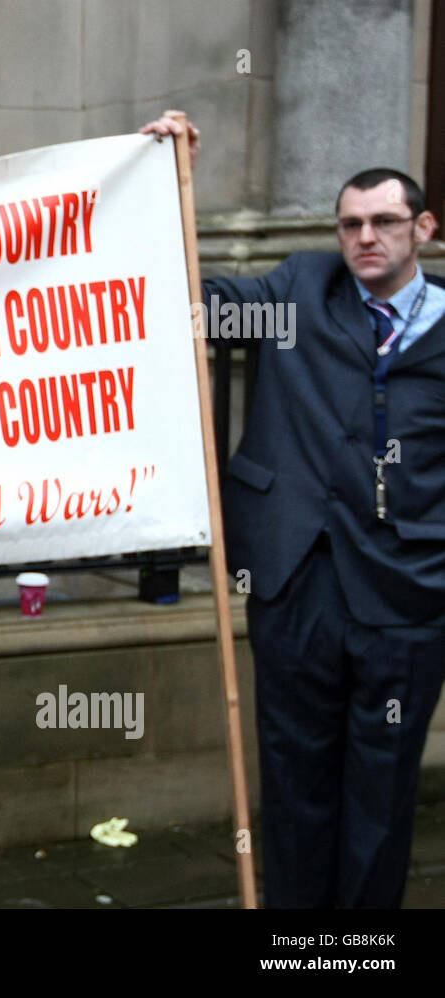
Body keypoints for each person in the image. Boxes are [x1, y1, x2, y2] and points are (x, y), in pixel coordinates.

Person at [143, 113, 445, 907]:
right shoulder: (300, 287)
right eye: (351, 223)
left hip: (407, 600)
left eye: (383, 222)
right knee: (296, 784)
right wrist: (171, 184)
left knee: (380, 797)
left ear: (423, 227)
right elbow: (193, 307)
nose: (365, 237)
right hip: (297, 584)